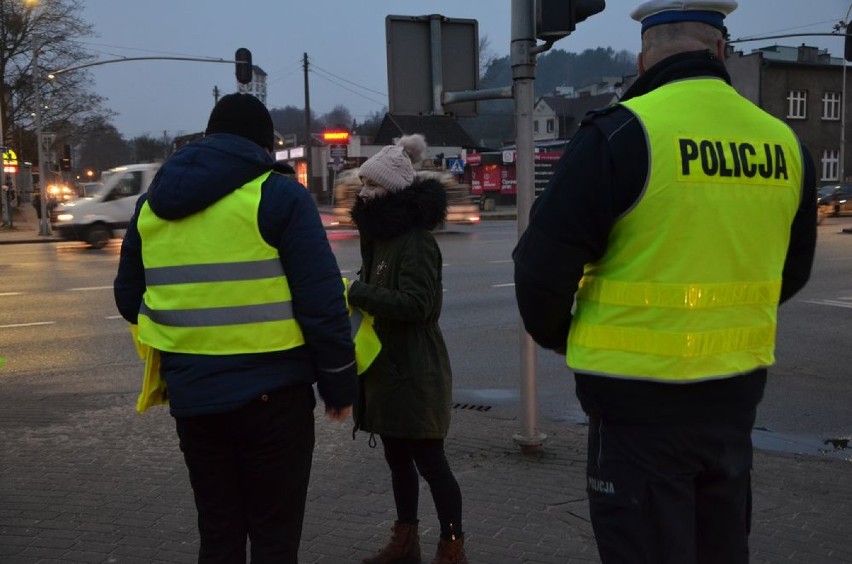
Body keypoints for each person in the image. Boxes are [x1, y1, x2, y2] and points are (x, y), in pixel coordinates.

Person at [512, 2, 817, 563]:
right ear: (721, 50)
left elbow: (538, 272)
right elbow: (790, 273)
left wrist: (570, 336)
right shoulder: (786, 145)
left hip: (636, 414)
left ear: (643, 58)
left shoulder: (622, 134)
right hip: (733, 404)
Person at [114, 93, 357, 563]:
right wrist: (340, 384)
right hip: (275, 402)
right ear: (263, 148)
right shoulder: (279, 194)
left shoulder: (153, 206)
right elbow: (322, 302)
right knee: (274, 540)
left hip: (194, 401)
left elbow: (128, 301)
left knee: (219, 536)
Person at [348, 134, 468, 564]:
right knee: (398, 460)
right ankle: (405, 542)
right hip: (387, 370)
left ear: (392, 193)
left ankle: (451, 547)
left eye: (372, 186)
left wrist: (358, 292)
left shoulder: (415, 242)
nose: (364, 193)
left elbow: (419, 306)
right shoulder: (381, 239)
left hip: (416, 372)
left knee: (431, 464)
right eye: (362, 184)